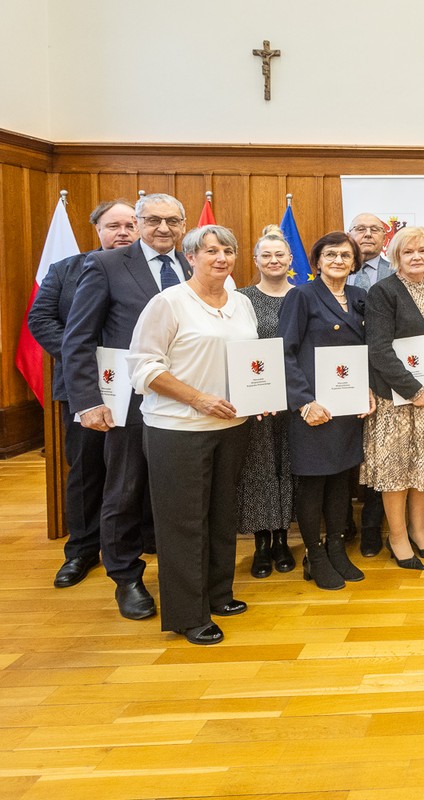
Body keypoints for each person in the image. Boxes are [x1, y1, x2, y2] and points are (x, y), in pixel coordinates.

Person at [62, 193, 191, 621]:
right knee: (123, 489)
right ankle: (126, 578)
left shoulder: (193, 265)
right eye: (152, 220)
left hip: (185, 401)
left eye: (172, 221)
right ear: (137, 223)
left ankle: (178, 573)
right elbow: (78, 338)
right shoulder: (105, 266)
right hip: (128, 403)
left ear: (184, 225)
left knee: (172, 489)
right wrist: (87, 402)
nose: (163, 229)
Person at [127, 224, 256, 645]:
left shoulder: (241, 304)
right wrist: (197, 398)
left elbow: (249, 360)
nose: (221, 258)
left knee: (222, 517)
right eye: (211, 251)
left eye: (228, 250)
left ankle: (218, 594)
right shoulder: (168, 303)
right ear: (190, 258)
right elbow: (143, 367)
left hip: (232, 426)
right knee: (183, 523)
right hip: (178, 430)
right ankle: (187, 614)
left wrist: (260, 393)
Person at [28, 199, 136, 588]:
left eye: (129, 225)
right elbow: (40, 319)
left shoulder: (154, 271)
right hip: (86, 387)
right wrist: (86, 357)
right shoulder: (67, 270)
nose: (122, 232)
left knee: (134, 469)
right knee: (88, 469)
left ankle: (134, 541)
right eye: (113, 225)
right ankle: (83, 550)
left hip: (140, 387)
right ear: (98, 230)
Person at [278, 231, 372, 591]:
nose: (337, 261)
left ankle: (336, 548)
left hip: (346, 407)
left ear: (354, 263)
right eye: (330, 254)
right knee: (313, 482)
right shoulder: (301, 295)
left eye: (345, 256)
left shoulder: (359, 297)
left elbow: (363, 352)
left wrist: (367, 390)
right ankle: (314, 555)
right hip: (313, 408)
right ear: (316, 261)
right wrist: (303, 402)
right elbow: (284, 352)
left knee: (340, 481)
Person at [363, 226, 424, 571]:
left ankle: (418, 531)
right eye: (408, 252)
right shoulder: (382, 292)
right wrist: (413, 391)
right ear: (396, 257)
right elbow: (380, 350)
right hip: (399, 400)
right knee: (398, 472)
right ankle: (398, 536)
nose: (416, 257)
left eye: (422, 251)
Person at [236, 227, 297, 579]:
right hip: (256, 400)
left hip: (293, 400)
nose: (274, 260)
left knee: (287, 465)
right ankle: (261, 542)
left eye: (280, 255)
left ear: (290, 260)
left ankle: (283, 539)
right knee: (257, 468)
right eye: (266, 255)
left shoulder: (303, 296)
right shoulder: (240, 299)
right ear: (256, 260)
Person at [347, 212, 394, 557]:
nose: (367, 234)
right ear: (350, 234)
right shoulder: (336, 266)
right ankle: (341, 522)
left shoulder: (399, 272)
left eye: (374, 229)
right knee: (344, 451)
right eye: (360, 229)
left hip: (384, 376)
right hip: (340, 375)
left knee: (378, 454)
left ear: (385, 236)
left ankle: (372, 525)